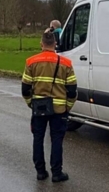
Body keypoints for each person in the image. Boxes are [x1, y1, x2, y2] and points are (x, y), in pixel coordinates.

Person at [21, 28, 78, 182]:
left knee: (38, 138)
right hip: (59, 109)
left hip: (39, 107)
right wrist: (67, 106)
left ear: (41, 44)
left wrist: (31, 104)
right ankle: (57, 173)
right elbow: (72, 90)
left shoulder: (31, 62)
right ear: (55, 44)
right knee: (57, 140)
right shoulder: (66, 63)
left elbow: (25, 89)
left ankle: (40, 172)